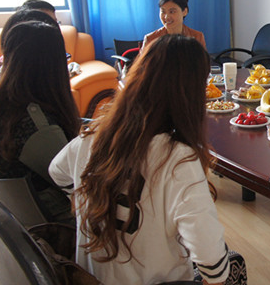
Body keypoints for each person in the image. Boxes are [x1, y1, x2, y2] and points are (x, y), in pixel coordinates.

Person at [49, 34, 230, 284]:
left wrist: (86, 199)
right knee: (233, 263)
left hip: (89, 278)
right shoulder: (178, 159)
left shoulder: (94, 135)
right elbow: (213, 264)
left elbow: (56, 172)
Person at [0, 21, 80, 222]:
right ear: (52, 65)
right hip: (54, 228)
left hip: (11, 222)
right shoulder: (36, 127)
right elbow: (76, 181)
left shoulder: (3, 104)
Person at [141, 0, 207, 51]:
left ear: (185, 11)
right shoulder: (151, 39)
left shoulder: (197, 37)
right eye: (163, 11)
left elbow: (202, 59)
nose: (166, 17)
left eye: (172, 12)